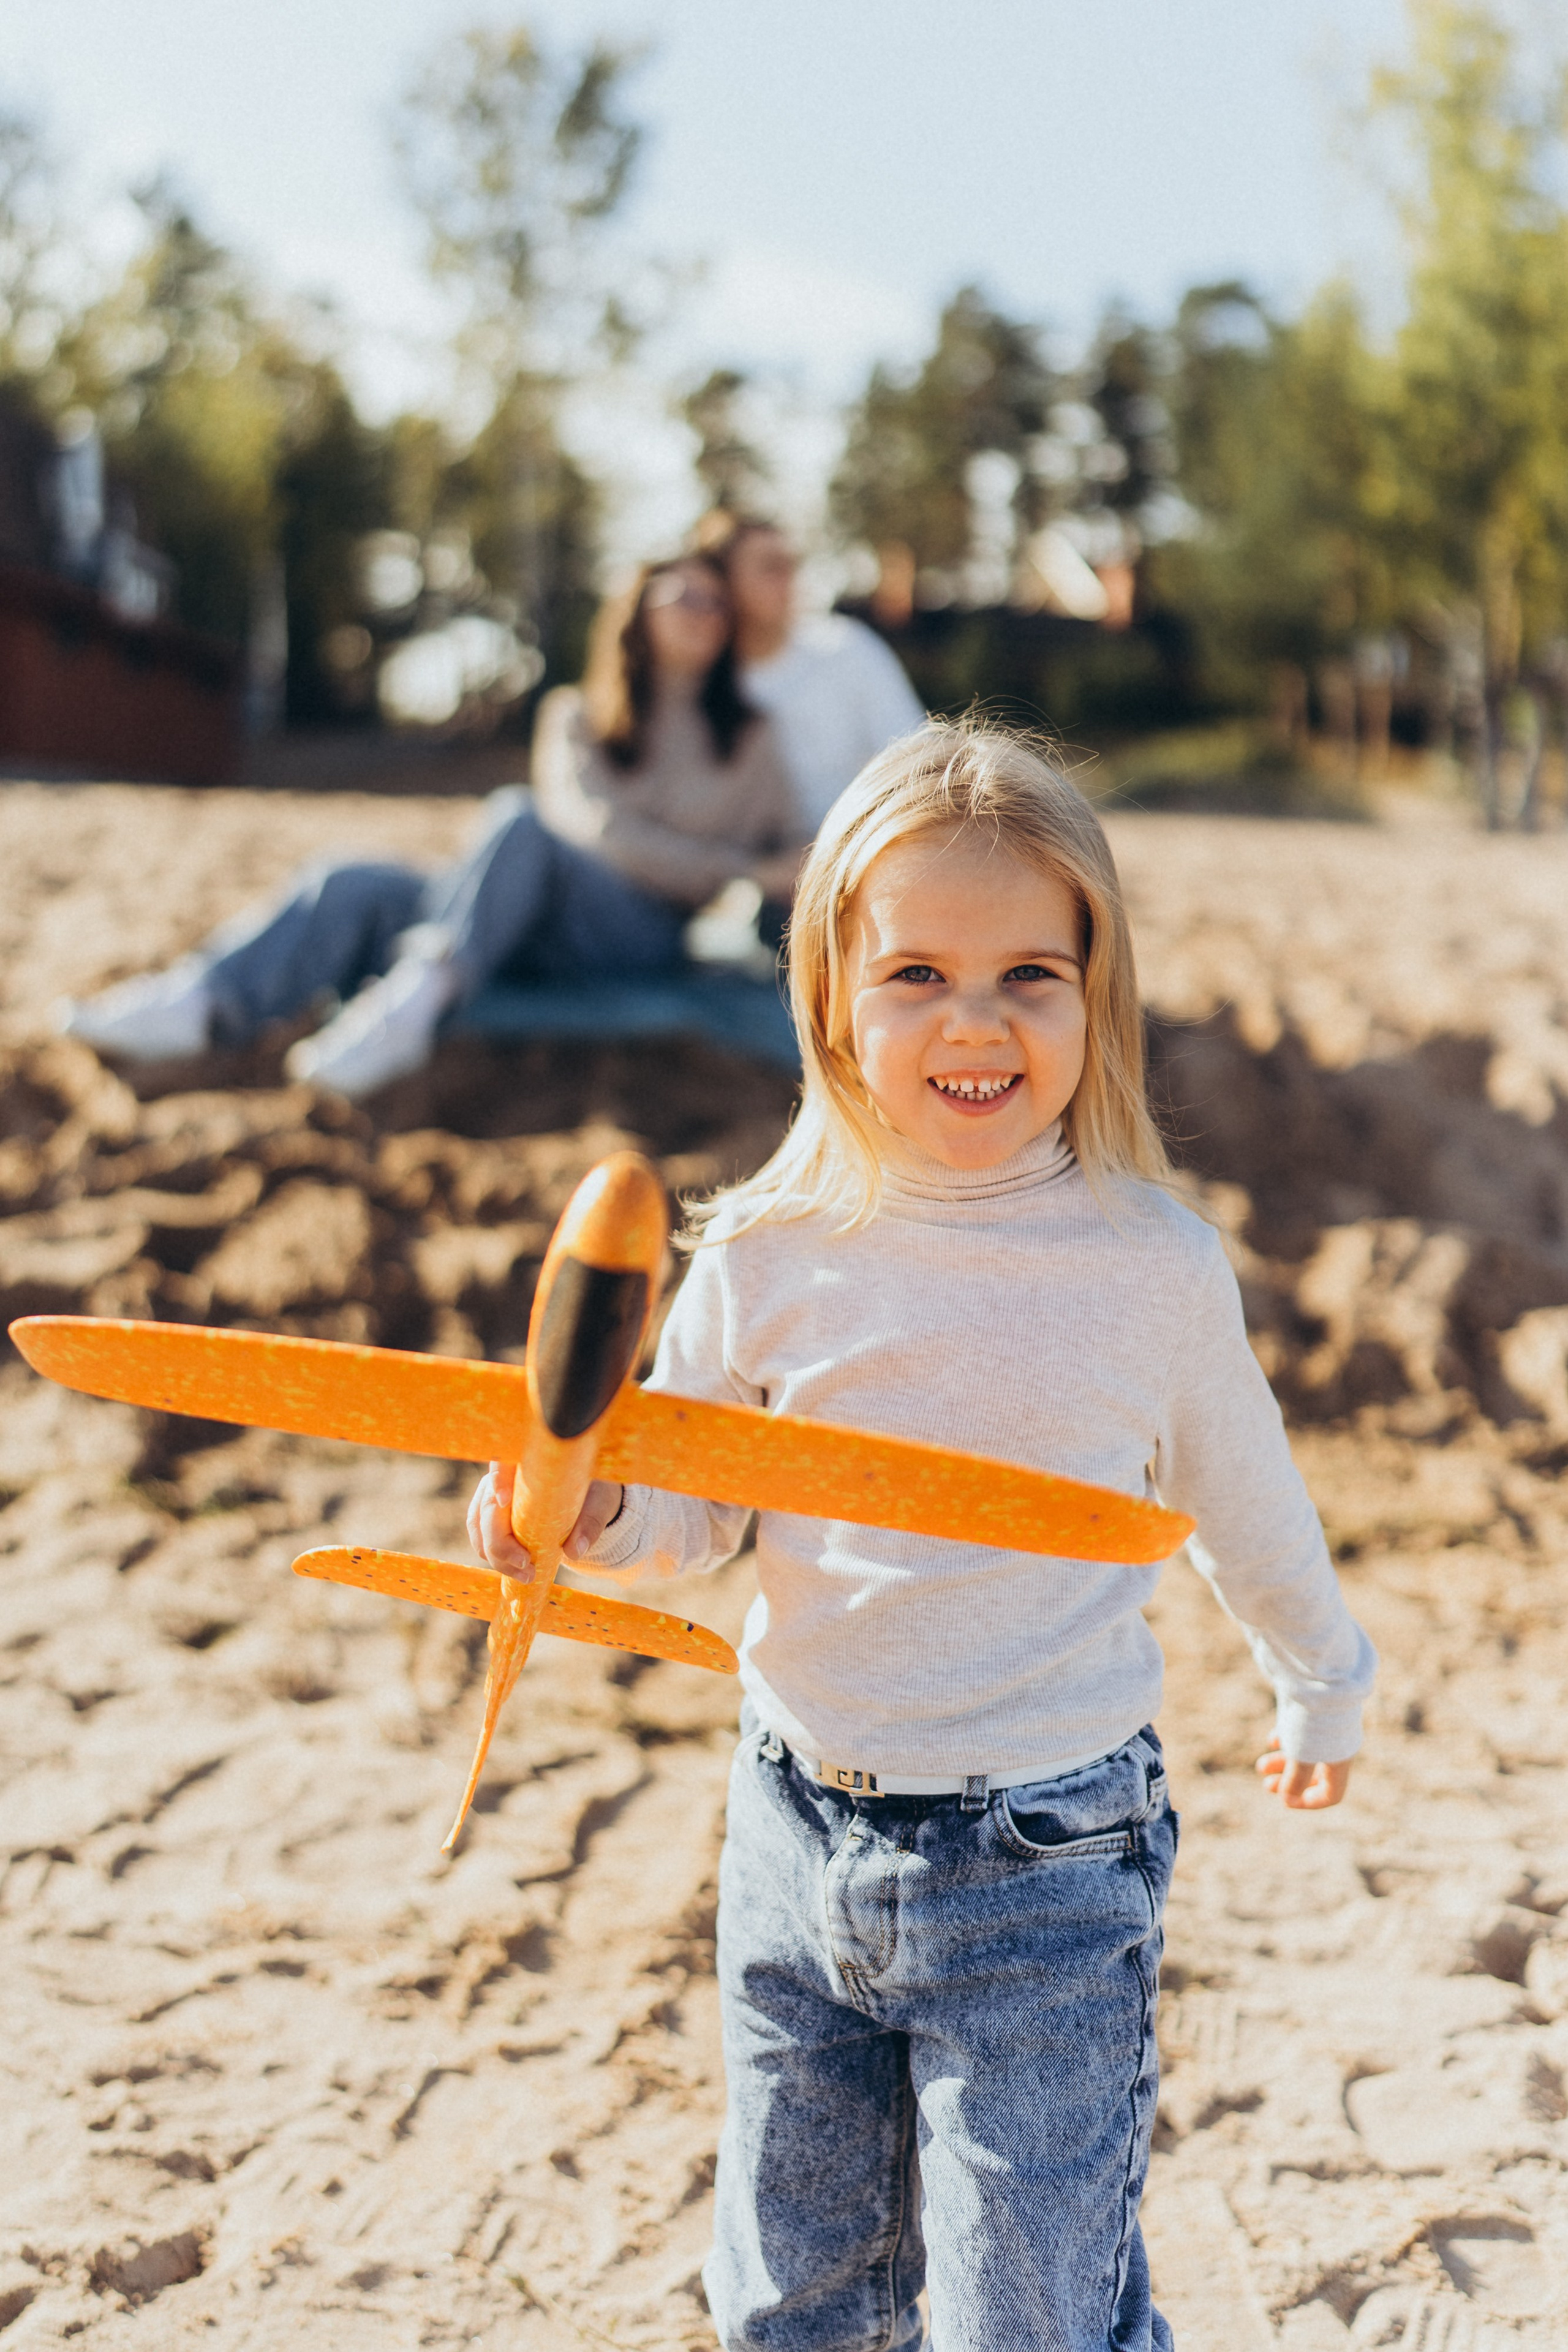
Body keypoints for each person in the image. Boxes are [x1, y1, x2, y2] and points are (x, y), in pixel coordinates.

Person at [467, 718, 1376, 2351]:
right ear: (831, 996)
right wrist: (583, 1508)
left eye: (1032, 974)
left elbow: (1246, 1495)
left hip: (1045, 1859)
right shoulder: (769, 1254)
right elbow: (687, 1513)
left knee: (1029, 2301)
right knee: (791, 2290)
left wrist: (1322, 1675)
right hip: (792, 1832)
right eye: (916, 978)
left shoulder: (1151, 1265)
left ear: (1097, 994)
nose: (976, 1022)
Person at [56, 554, 805, 1099]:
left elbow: (793, 856)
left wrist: (735, 878)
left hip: (631, 931)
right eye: (683, 598)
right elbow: (590, 828)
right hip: (529, 901)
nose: (703, 615)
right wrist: (725, 866)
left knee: (518, 820)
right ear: (639, 612)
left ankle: (412, 1005)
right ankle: (203, 1004)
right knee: (351, 881)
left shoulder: (752, 740)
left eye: (715, 604)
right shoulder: (575, 715)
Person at [696, 511, 925, 831]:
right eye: (770, 567)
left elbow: (917, 760)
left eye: (791, 564)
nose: (788, 578)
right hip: (749, 867)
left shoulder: (847, 649)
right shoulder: (703, 680)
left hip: (859, 852)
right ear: (723, 581)